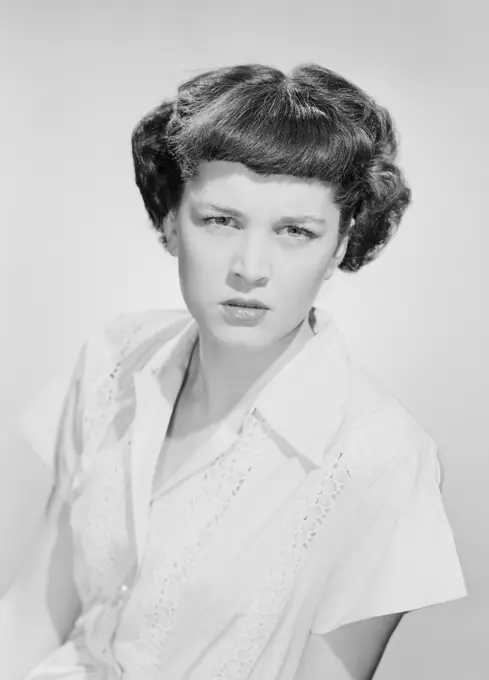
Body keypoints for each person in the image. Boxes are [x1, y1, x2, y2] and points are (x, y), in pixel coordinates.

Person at [7, 63, 467, 680]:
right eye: (220, 220)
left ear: (340, 244)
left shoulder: (382, 456)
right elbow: (33, 615)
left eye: (295, 232)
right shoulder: (115, 357)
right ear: (171, 220)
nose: (250, 267)